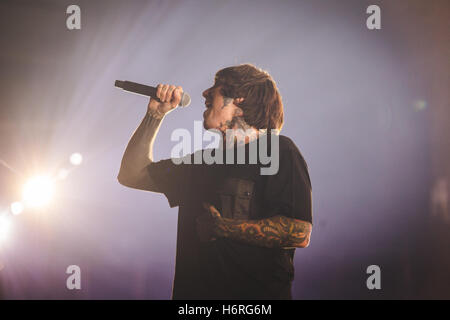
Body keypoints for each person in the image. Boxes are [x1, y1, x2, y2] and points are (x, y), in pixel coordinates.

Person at [118, 64, 312, 299]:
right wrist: (154, 115)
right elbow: (132, 173)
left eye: (216, 89)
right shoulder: (202, 162)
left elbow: (299, 232)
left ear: (239, 101)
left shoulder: (280, 151)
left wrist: (223, 228)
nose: (205, 94)